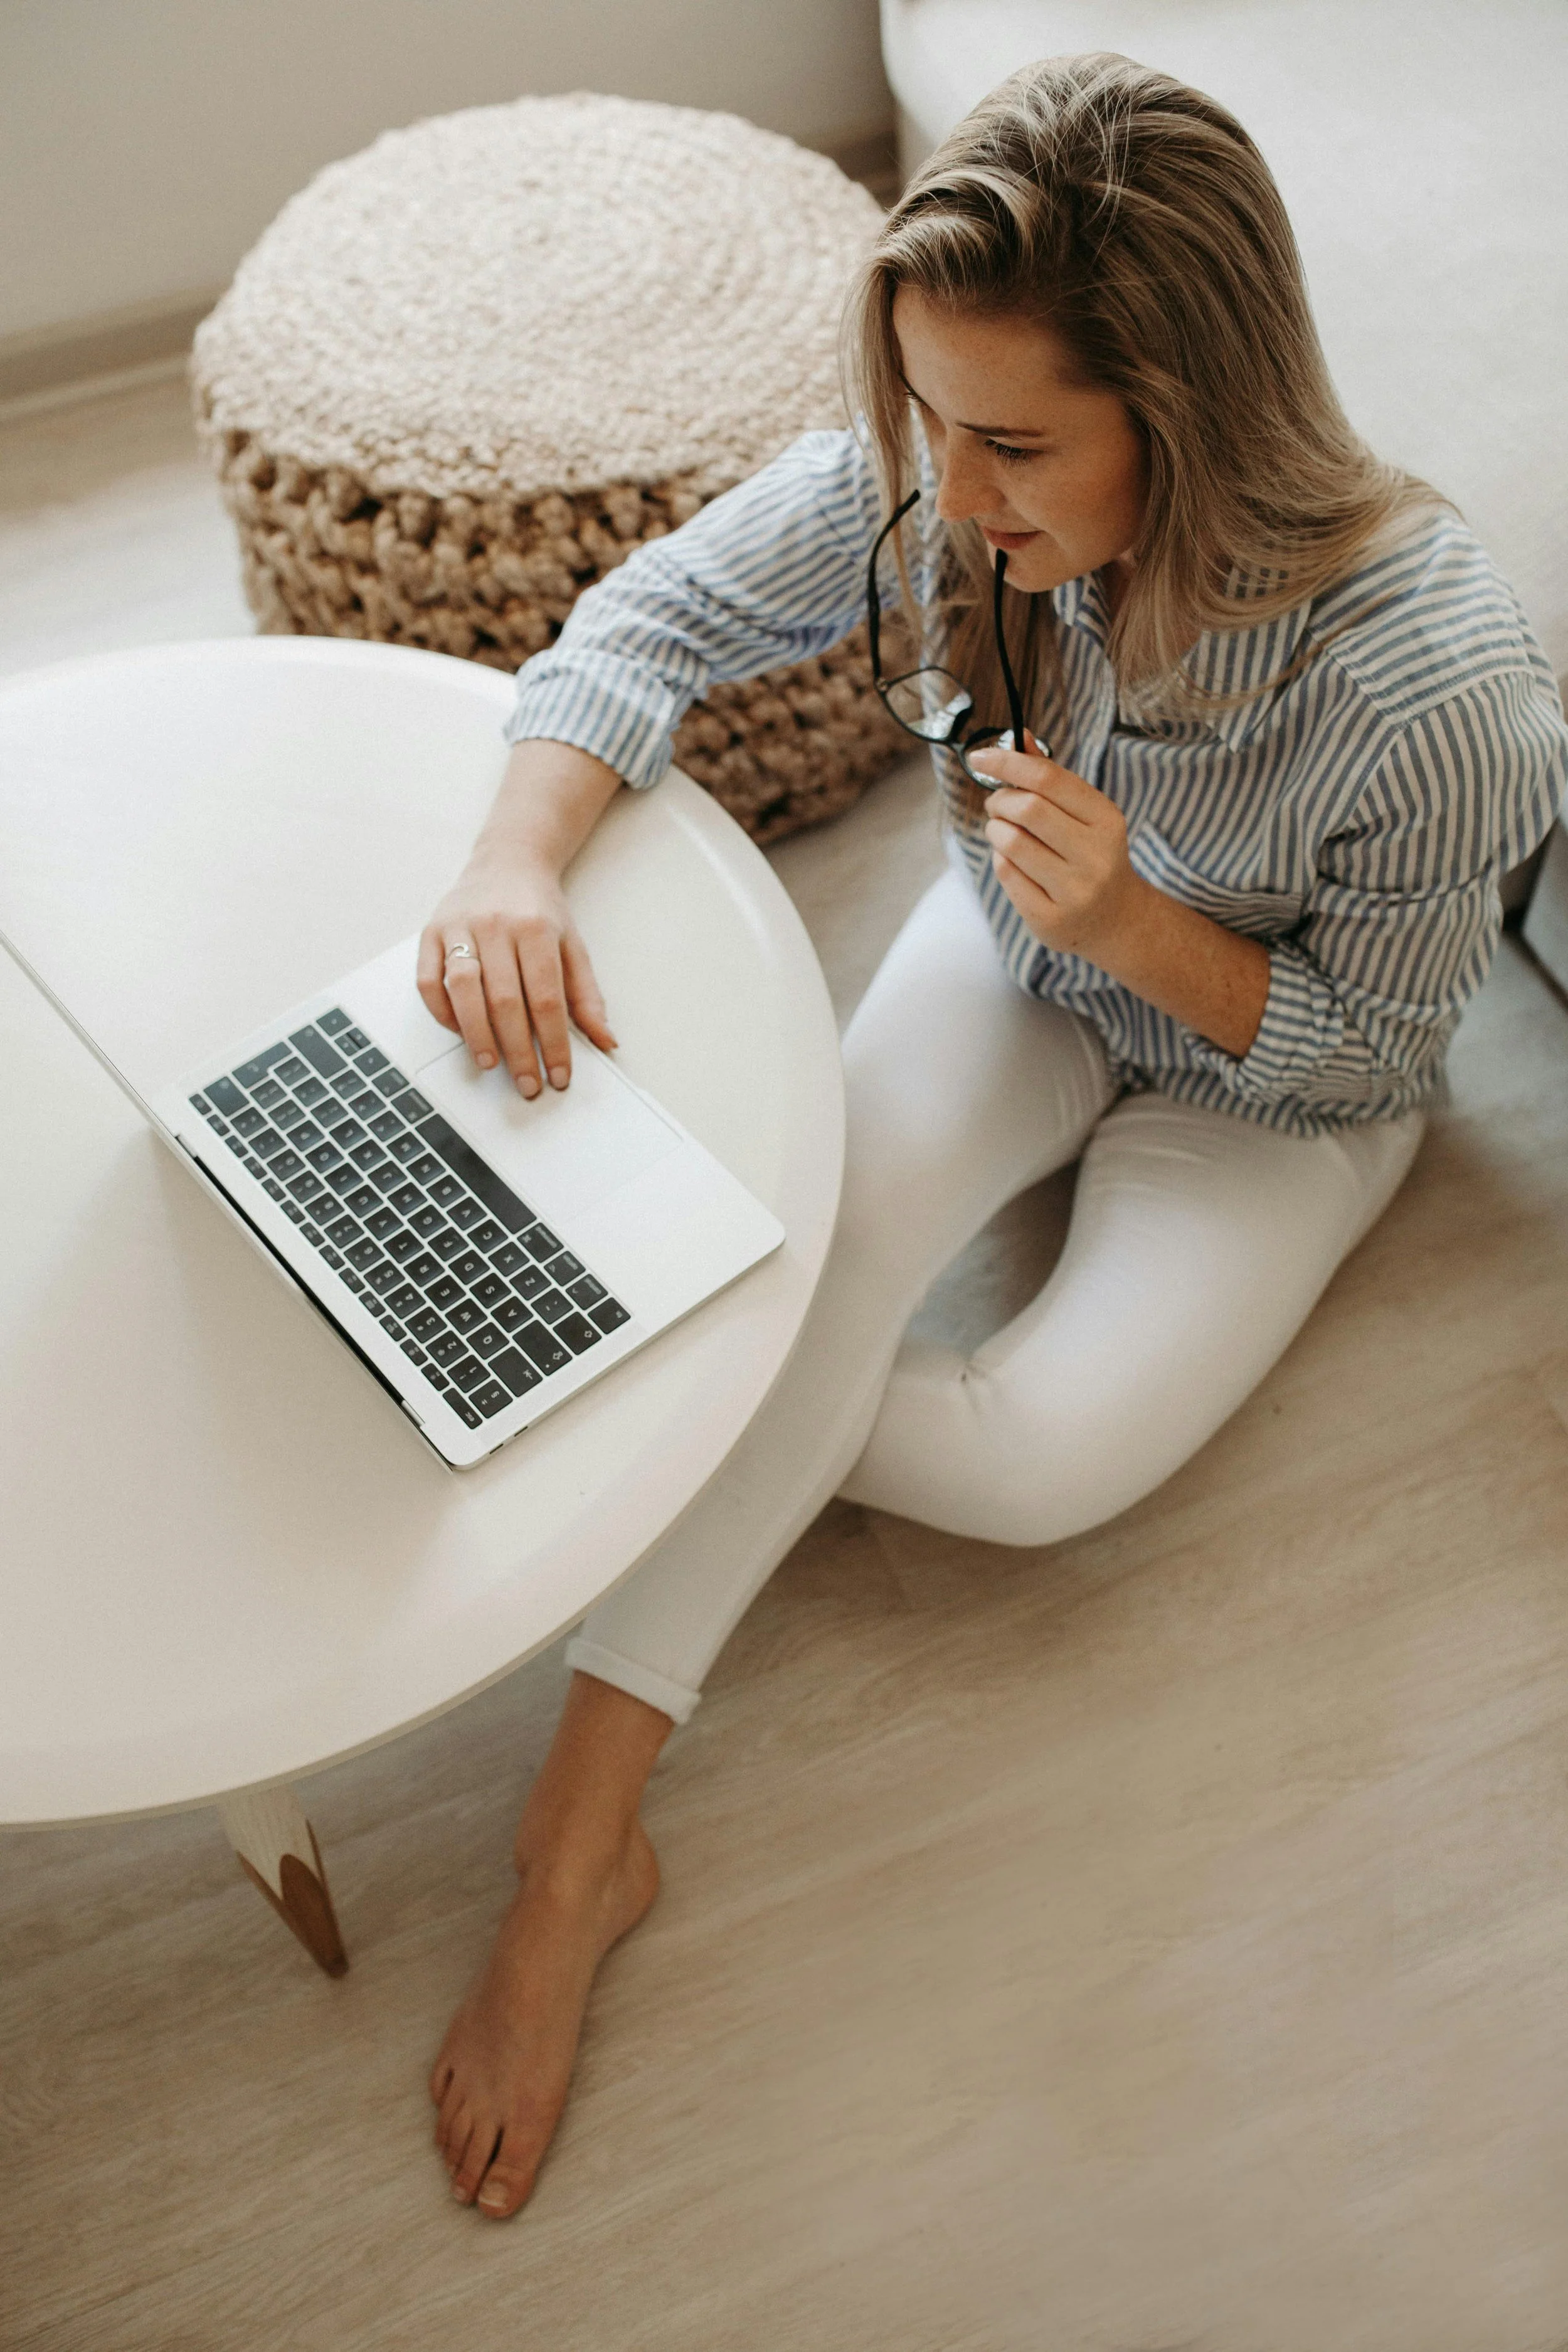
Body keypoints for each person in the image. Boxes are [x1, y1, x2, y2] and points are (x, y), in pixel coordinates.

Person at [417, 54, 1567, 2217]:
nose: (951, 492)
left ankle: (670, 1350)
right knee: (812, 1271)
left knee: (1019, 1456)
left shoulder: (1444, 693)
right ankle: (575, 1851)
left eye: (1016, 444)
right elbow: (646, 621)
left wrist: (1142, 919)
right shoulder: (941, 480)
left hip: (1268, 1092)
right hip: (1023, 970)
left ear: (1190, 417)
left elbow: (1378, 1058)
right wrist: (508, 858)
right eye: (930, 421)